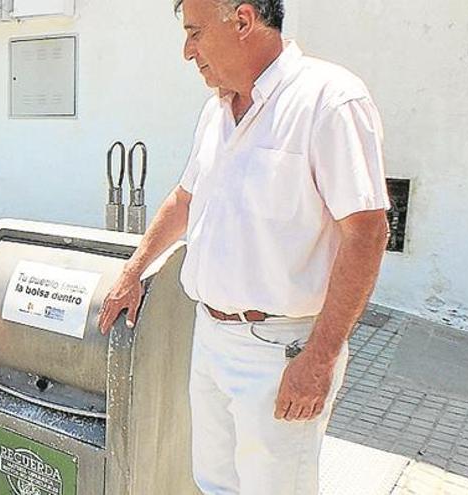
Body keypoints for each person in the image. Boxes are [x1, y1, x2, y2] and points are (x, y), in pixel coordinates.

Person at [97, 1, 390, 494]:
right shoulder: (217, 110)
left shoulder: (329, 100)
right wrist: (134, 271)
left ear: (243, 20)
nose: (187, 51)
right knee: (215, 483)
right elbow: (185, 199)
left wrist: (319, 358)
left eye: (194, 33)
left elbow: (366, 233)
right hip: (211, 336)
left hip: (281, 349)